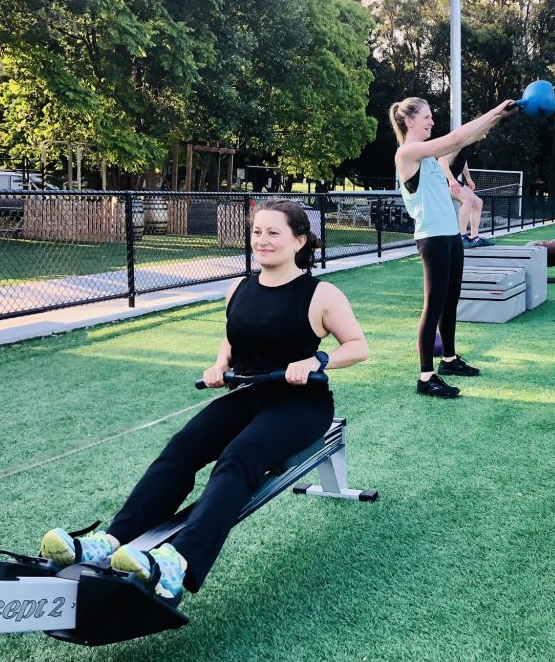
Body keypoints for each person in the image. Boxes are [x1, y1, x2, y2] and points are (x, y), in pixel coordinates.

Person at [37, 199, 368, 604]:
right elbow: (234, 335)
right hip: (248, 395)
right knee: (181, 448)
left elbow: (358, 347)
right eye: (257, 232)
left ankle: (178, 561)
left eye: (273, 233)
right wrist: (219, 364)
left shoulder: (321, 294)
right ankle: (109, 541)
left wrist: (317, 359)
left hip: (301, 405)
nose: (262, 241)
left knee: (238, 458)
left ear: (299, 240)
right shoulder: (239, 287)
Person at [390, 96, 517, 398]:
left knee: (451, 301)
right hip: (432, 237)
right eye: (426, 117)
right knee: (434, 304)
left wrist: (499, 118)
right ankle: (425, 377)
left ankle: (448, 359)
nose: (431, 122)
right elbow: (457, 137)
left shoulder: (433, 160)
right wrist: (496, 108)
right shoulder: (407, 153)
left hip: (450, 234)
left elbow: (466, 141)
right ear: (409, 121)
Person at [439, 153, 493, 248]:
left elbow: (462, 159)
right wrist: (451, 179)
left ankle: (475, 237)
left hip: (451, 179)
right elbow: (441, 159)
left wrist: (468, 178)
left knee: (478, 202)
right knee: (468, 199)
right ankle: (462, 237)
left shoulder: (466, 144)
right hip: (441, 180)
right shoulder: (456, 140)